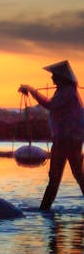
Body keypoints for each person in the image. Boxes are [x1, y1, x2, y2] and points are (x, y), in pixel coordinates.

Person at [20, 60, 84, 211]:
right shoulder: (64, 91)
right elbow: (51, 105)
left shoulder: (68, 91)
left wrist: (32, 90)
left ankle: (44, 209)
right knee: (65, 177)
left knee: (63, 177)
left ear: (62, 77)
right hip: (66, 140)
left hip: (68, 141)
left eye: (54, 75)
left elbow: (50, 105)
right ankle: (45, 210)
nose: (52, 78)